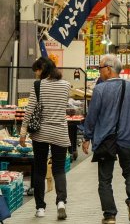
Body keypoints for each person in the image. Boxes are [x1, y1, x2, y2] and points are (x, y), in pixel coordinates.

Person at [82, 54, 130, 224]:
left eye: (100, 68)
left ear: (108, 69)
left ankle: (110, 216)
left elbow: (92, 116)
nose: (99, 71)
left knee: (105, 180)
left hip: (106, 140)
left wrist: (87, 136)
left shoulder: (100, 89)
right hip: (128, 138)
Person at [19, 57, 70, 219]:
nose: (36, 74)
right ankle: (61, 202)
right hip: (60, 132)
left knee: (40, 170)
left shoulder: (38, 86)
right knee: (59, 170)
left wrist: (23, 131)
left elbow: (30, 110)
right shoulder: (66, 85)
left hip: (41, 133)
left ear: (43, 69)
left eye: (37, 71)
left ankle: (40, 208)